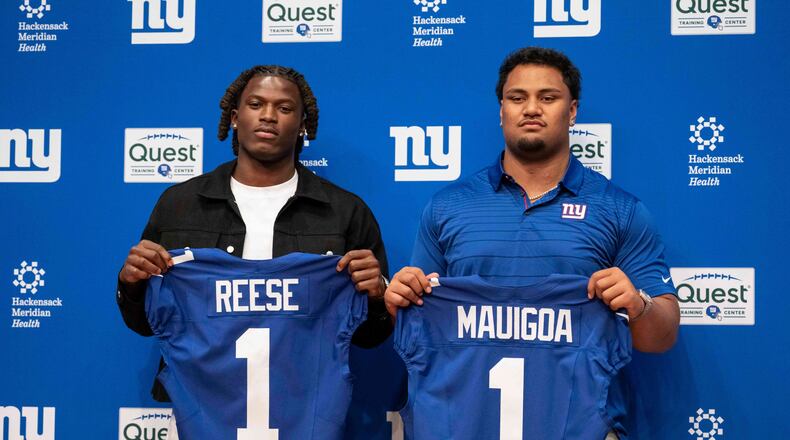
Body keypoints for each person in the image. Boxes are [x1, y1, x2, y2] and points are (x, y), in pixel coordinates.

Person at [383, 47, 680, 439]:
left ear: (572, 111)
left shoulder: (620, 210)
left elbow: (663, 335)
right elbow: (422, 325)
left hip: (581, 426)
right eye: (517, 97)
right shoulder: (448, 206)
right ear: (501, 110)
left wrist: (638, 305)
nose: (532, 108)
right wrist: (398, 301)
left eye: (548, 97)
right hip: (466, 424)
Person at [116, 65, 391, 407]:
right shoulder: (180, 204)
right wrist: (132, 284)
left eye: (285, 108)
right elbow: (147, 323)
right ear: (234, 117)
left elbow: (370, 337)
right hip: (202, 403)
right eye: (256, 104)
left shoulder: (345, 211)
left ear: (303, 124)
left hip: (306, 404)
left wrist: (378, 297)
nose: (269, 116)